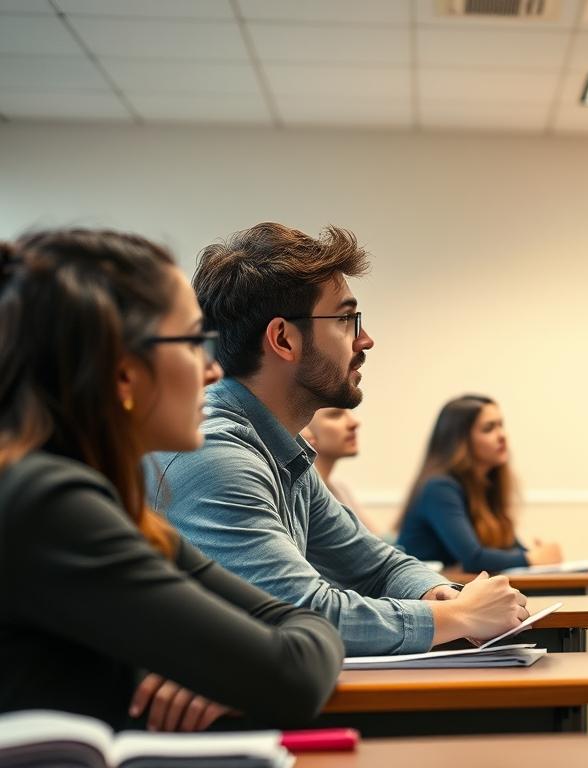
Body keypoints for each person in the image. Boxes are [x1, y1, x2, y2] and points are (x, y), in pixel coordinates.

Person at [0, 229, 343, 731]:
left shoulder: (106, 503)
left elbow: (303, 627)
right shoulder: (48, 500)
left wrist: (215, 667)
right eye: (191, 342)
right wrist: (230, 668)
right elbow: (290, 672)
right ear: (122, 374)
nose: (211, 370)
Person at [148, 222, 527, 657]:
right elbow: (305, 613)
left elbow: (376, 566)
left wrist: (442, 596)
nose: (365, 339)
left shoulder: (280, 452)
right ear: (284, 339)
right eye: (347, 319)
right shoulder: (217, 455)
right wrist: (459, 617)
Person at [399, 395, 563, 572]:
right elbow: (473, 559)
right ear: (460, 441)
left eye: (501, 425)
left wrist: (534, 555)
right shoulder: (439, 488)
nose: (502, 435)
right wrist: (533, 557)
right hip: (418, 596)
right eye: (488, 428)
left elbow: (508, 549)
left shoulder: (485, 484)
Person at [301, 407, 378, 532]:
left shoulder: (339, 488)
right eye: (335, 415)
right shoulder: (303, 496)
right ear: (303, 431)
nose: (354, 422)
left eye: (350, 412)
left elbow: (377, 540)